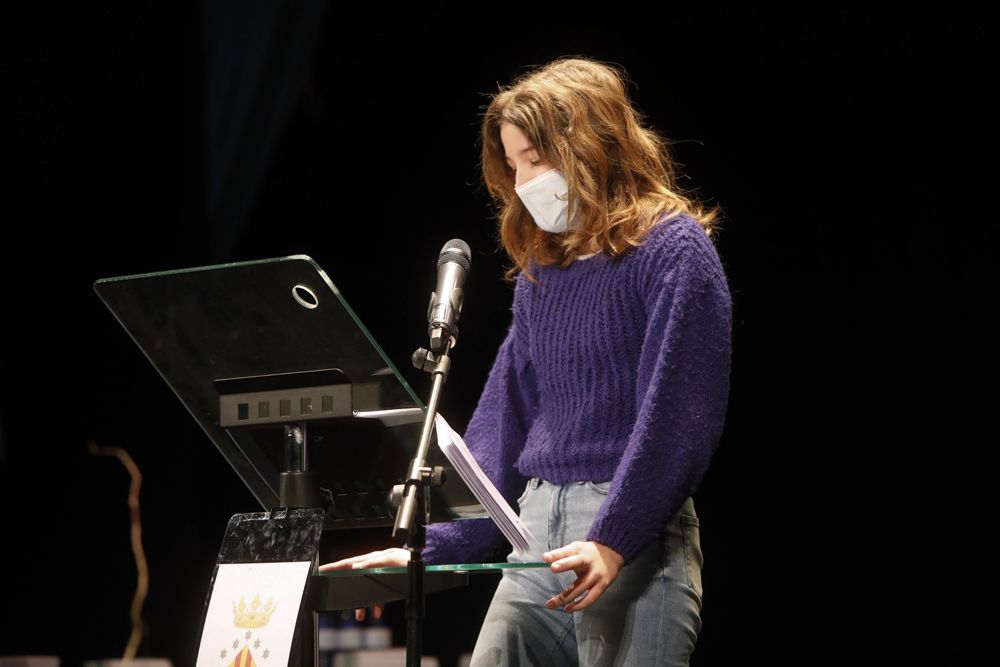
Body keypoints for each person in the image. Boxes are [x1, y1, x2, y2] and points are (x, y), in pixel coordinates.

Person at [321, 55, 732, 666]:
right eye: (512, 166)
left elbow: (676, 417)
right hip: (536, 535)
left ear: (591, 146)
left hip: (632, 541)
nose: (521, 183)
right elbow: (503, 422)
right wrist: (428, 550)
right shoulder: (545, 271)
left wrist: (614, 539)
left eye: (534, 162)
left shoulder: (672, 251)